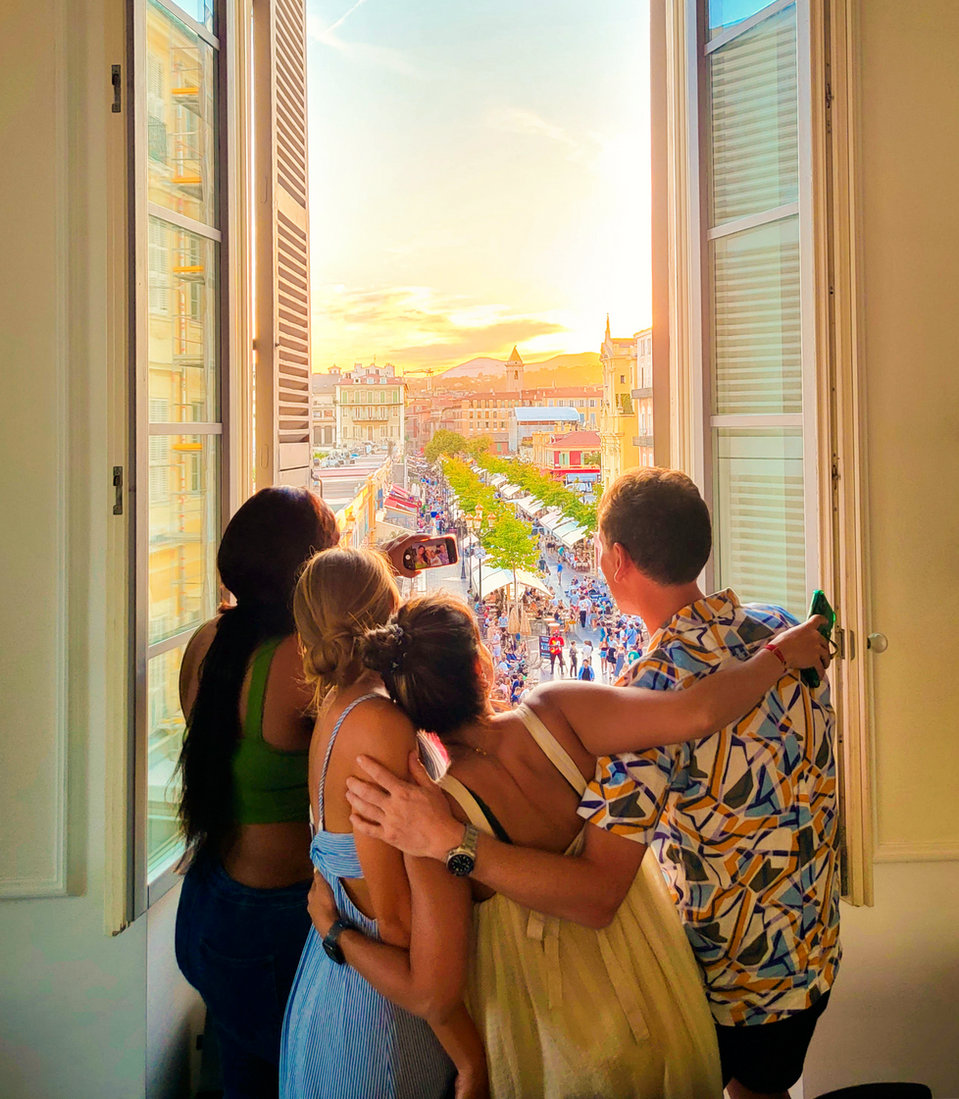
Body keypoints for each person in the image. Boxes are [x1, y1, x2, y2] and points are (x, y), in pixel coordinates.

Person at [345, 467, 838, 1099]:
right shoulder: (778, 628)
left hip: (737, 984)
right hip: (813, 945)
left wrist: (451, 841)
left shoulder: (648, 699)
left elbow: (599, 891)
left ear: (617, 559)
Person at [280, 548, 485, 1099]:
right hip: (375, 1019)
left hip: (334, 989)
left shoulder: (337, 708)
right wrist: (470, 1056)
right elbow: (396, 926)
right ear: (388, 611)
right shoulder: (378, 724)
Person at [174, 486, 340, 1098]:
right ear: (308, 568)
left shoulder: (205, 644)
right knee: (284, 1075)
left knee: (239, 1058)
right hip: (269, 922)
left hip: (210, 898)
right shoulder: (303, 662)